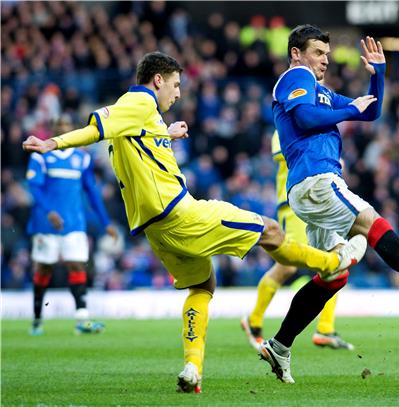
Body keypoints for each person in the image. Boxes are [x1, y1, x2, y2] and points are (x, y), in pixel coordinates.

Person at [22, 51, 367, 394]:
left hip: (155, 231)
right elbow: (95, 127)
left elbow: (130, 140)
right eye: (175, 85)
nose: (178, 93)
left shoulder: (142, 119)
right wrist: (52, 143)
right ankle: (334, 262)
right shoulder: (138, 102)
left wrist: (164, 134)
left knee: (202, 287)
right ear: (157, 80)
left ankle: (192, 368)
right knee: (271, 230)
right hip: (182, 214)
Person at [259, 25, 399, 384]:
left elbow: (370, 113)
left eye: (327, 54)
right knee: (373, 225)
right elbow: (305, 118)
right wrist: (348, 109)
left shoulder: (319, 91)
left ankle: (280, 345)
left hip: (309, 187)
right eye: (318, 52)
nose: (324, 60)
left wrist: (378, 77)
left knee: (334, 277)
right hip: (317, 180)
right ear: (296, 53)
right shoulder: (294, 78)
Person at [241, 130, 353, 351]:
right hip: (294, 205)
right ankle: (253, 321)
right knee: (288, 267)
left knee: (337, 257)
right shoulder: (285, 125)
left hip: (321, 201)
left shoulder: (317, 126)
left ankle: (325, 329)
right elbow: (283, 154)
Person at [26, 115, 118, 336]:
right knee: (43, 269)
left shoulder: (82, 158)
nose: (63, 129)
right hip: (46, 224)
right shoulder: (42, 156)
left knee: (77, 266)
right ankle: (38, 318)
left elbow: (92, 193)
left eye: (67, 126)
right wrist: (49, 211)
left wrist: (106, 222)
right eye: (60, 126)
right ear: (54, 129)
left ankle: (82, 318)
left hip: (74, 223)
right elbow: (34, 187)